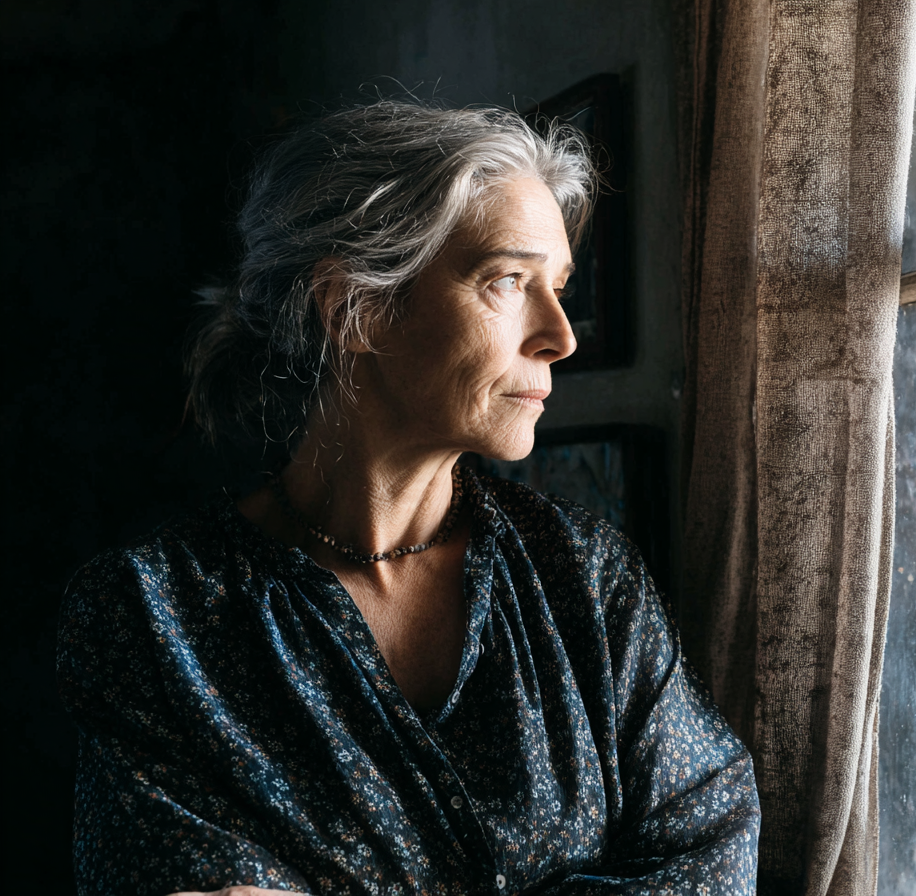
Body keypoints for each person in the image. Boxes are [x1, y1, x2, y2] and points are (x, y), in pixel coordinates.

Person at [57, 102, 760, 896]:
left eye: (558, 286)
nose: (560, 335)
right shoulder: (157, 623)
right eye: (508, 280)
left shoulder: (584, 579)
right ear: (354, 307)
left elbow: (711, 848)